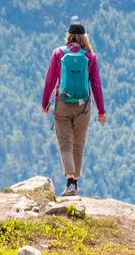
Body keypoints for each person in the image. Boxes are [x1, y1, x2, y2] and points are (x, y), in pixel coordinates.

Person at [41, 21, 106, 197]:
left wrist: (45, 101)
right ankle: (74, 184)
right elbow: (96, 84)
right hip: (83, 105)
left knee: (65, 144)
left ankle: (69, 181)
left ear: (68, 36)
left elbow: (50, 80)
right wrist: (101, 110)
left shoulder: (58, 53)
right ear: (84, 37)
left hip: (62, 103)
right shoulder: (90, 56)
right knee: (78, 145)